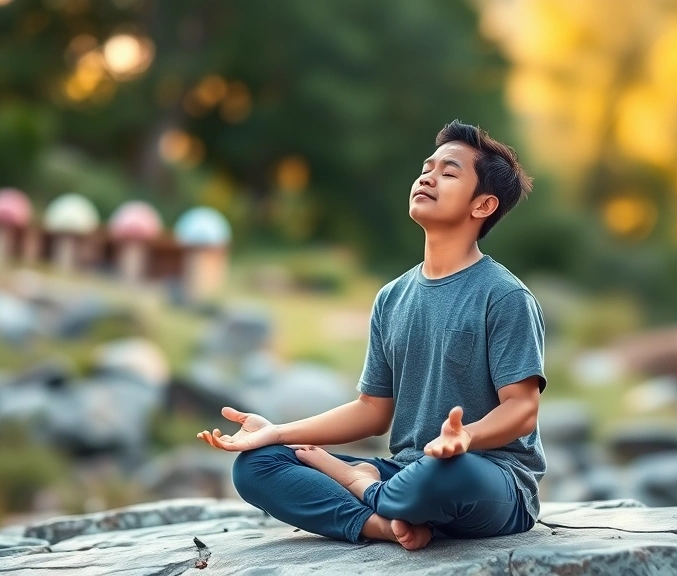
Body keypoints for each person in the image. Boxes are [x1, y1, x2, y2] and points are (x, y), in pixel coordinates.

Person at [196, 120, 546, 551]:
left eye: (449, 172)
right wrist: (277, 433)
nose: (428, 176)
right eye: (427, 167)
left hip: (487, 480)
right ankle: (384, 525)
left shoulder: (504, 296)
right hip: (408, 473)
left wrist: (466, 438)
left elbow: (523, 409)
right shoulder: (392, 297)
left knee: (445, 474)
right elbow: (372, 410)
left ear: (483, 205)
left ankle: (365, 491)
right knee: (256, 466)